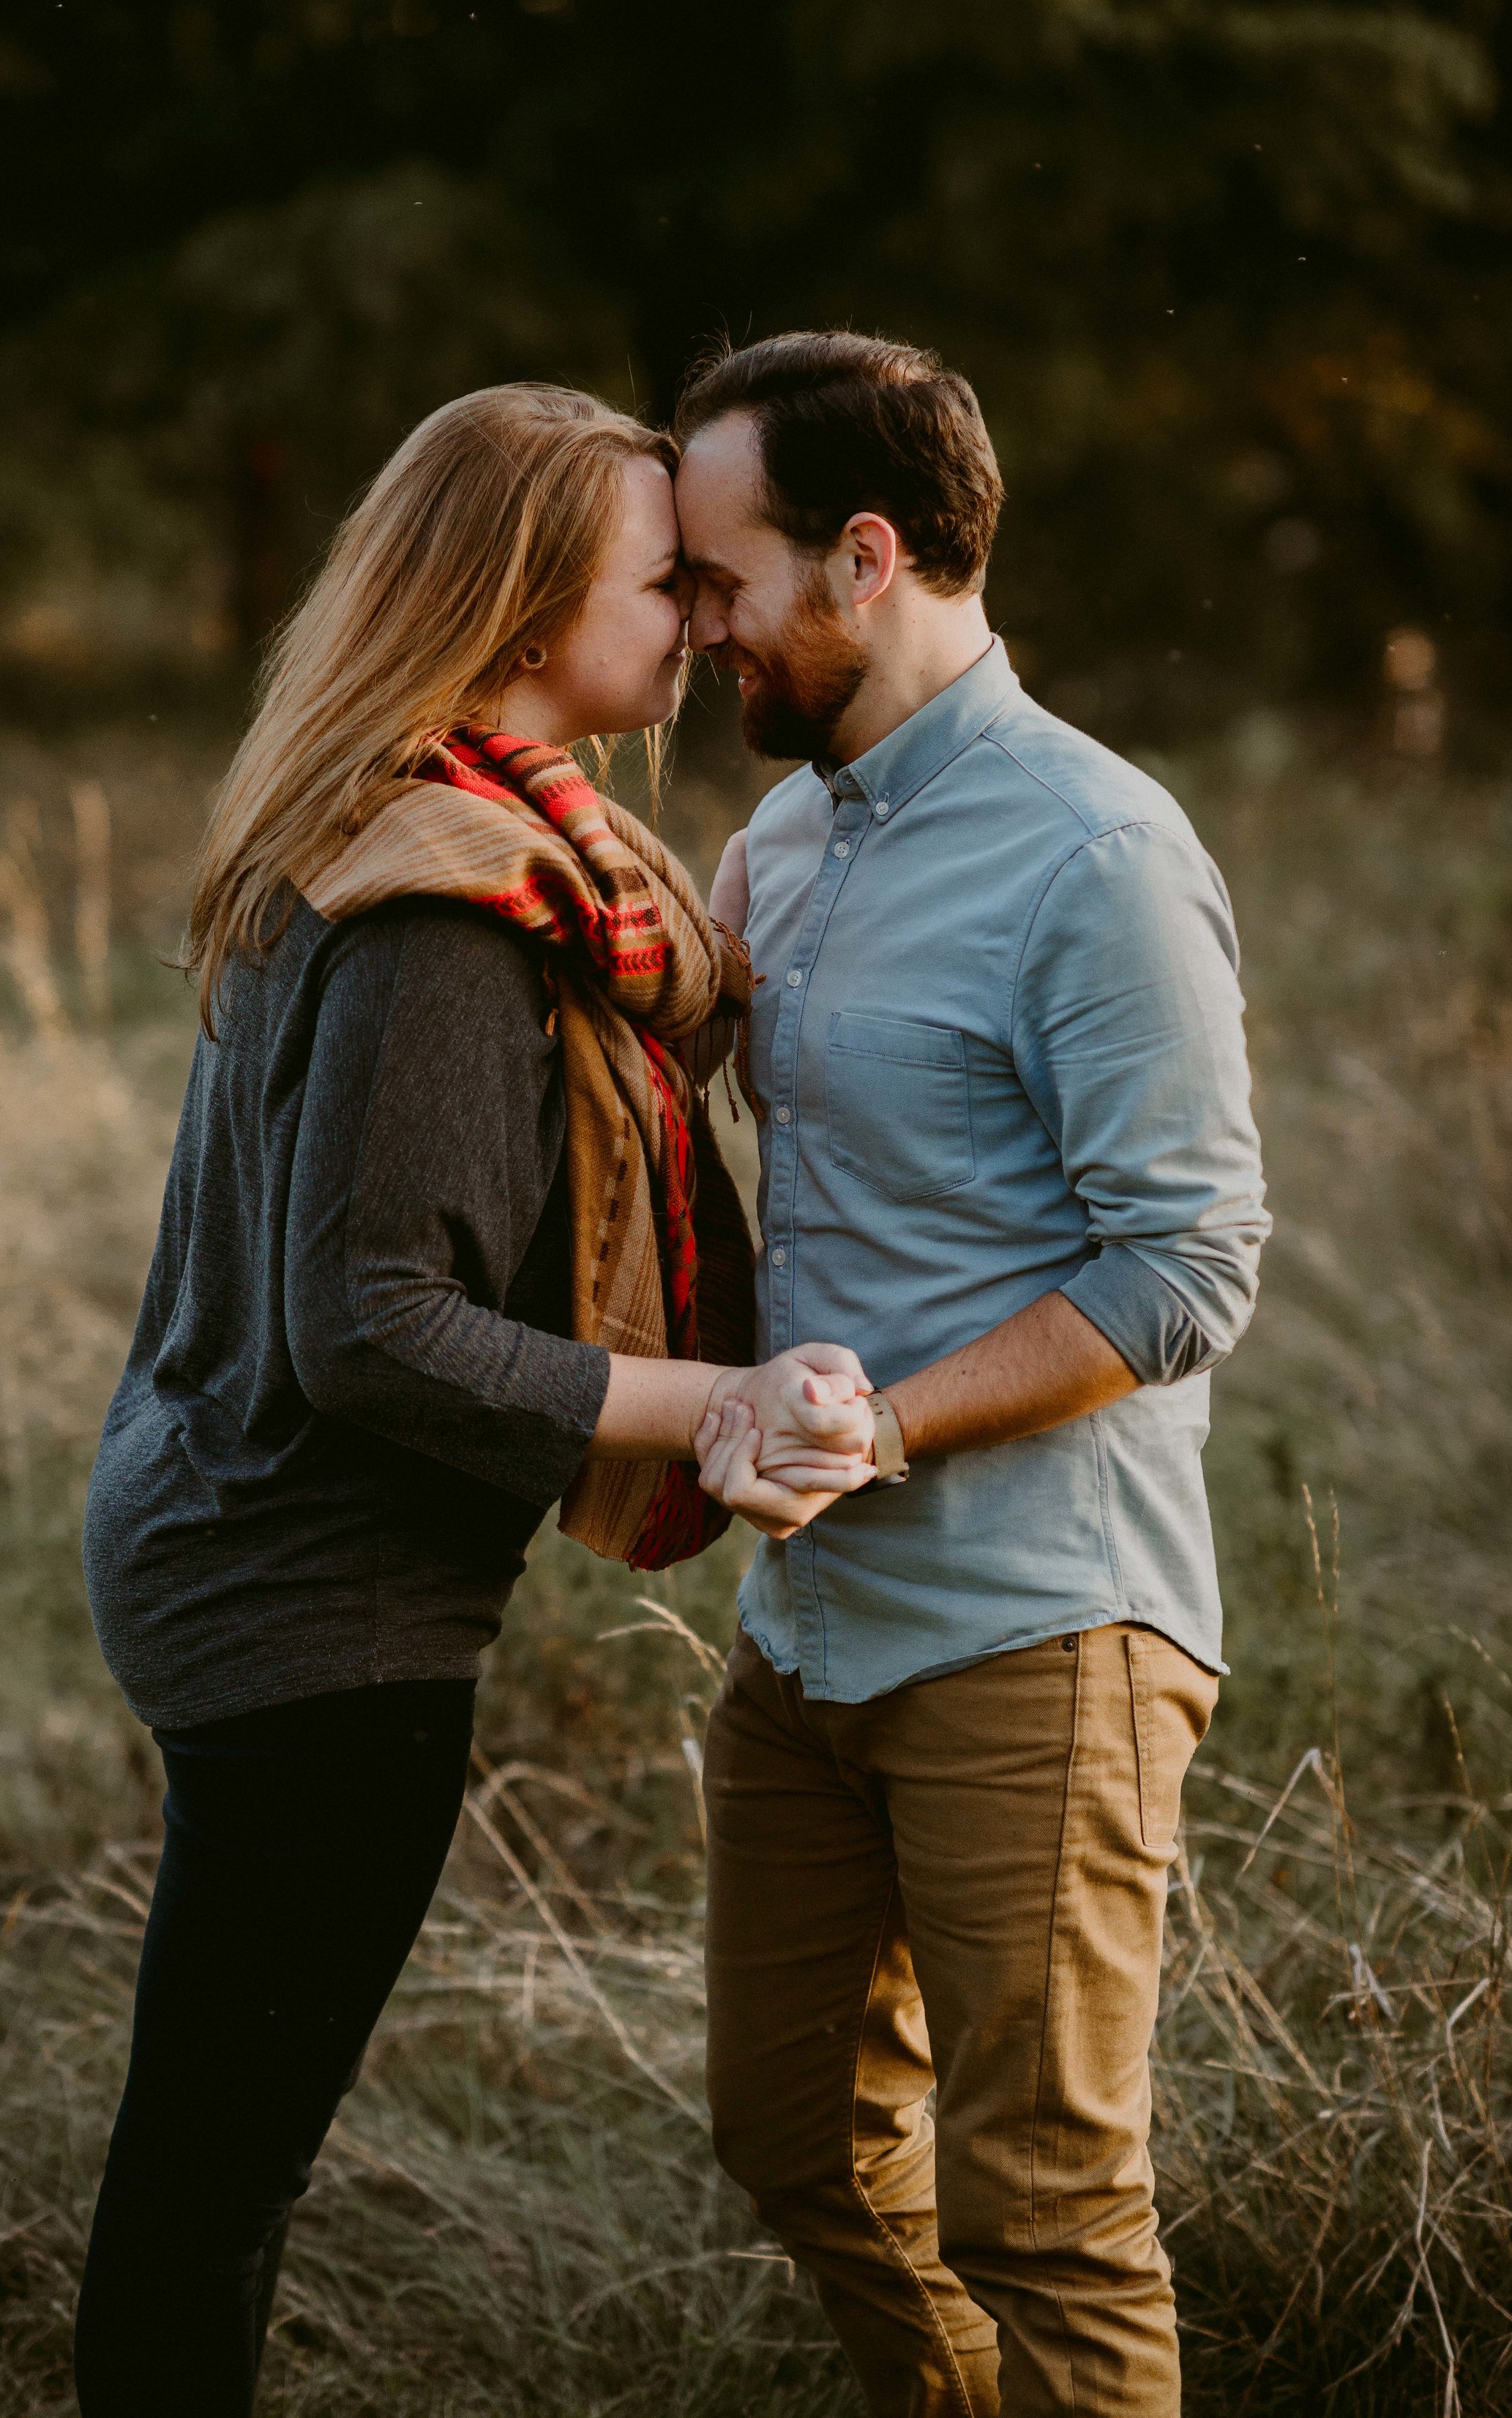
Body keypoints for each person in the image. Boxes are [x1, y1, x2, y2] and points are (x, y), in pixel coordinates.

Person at [73, 381, 877, 2418]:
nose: (697, 623)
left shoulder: (446, 824)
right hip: (304, 1609)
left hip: (234, 1536)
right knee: (213, 2185)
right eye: (658, 583)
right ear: (527, 616)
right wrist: (721, 1393)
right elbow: (370, 1327)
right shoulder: (451, 902)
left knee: (212, 2154)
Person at [676, 332, 1270, 2418]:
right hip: (811, 1627)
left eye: (723, 580)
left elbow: (1189, 1265)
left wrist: (892, 1427)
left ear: (863, 558)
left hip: (1037, 1625)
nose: (696, 630)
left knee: (1042, 2206)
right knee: (790, 2133)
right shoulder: (791, 834)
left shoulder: (1093, 852)